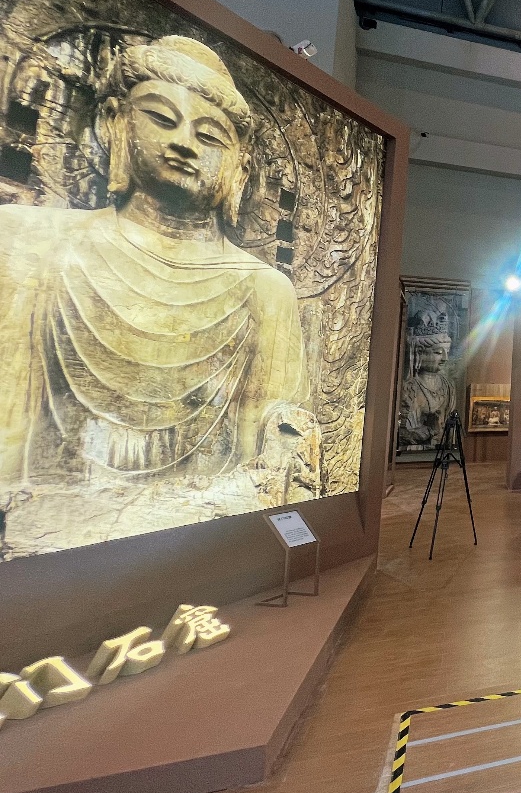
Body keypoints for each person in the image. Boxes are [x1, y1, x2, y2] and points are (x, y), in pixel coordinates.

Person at [0, 35, 315, 534]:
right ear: (115, 122)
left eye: (210, 137)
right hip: (43, 532)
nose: (184, 144)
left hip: (211, 531)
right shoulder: (29, 242)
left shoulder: (265, 290)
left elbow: (274, 471)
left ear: (240, 167)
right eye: (161, 118)